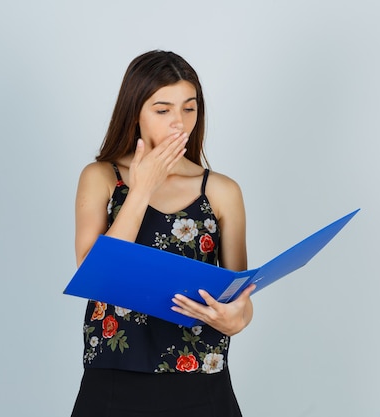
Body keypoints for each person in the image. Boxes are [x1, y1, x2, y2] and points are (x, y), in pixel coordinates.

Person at [70, 50, 255, 417]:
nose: (179, 123)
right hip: (113, 378)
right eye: (163, 109)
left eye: (189, 108)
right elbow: (96, 276)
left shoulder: (221, 190)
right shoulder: (102, 177)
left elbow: (239, 294)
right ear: (135, 111)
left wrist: (237, 318)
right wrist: (141, 190)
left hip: (202, 379)